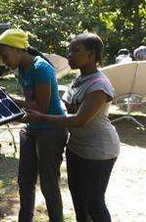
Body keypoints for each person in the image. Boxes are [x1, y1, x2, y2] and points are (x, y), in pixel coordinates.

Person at [22, 33, 120, 222]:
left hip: (99, 152)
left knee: (94, 201)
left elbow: (79, 120)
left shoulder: (99, 85)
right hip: (76, 147)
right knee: (78, 199)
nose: (69, 55)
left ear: (91, 55)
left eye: (75, 51)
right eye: (69, 50)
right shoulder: (78, 80)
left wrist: (42, 117)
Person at [0, 28, 67, 222]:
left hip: (50, 130)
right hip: (32, 128)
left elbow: (41, 106)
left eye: (5, 56)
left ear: (18, 50)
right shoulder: (20, 62)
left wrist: (9, 99)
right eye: (1, 57)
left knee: (49, 185)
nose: (4, 61)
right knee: (25, 182)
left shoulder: (41, 68)